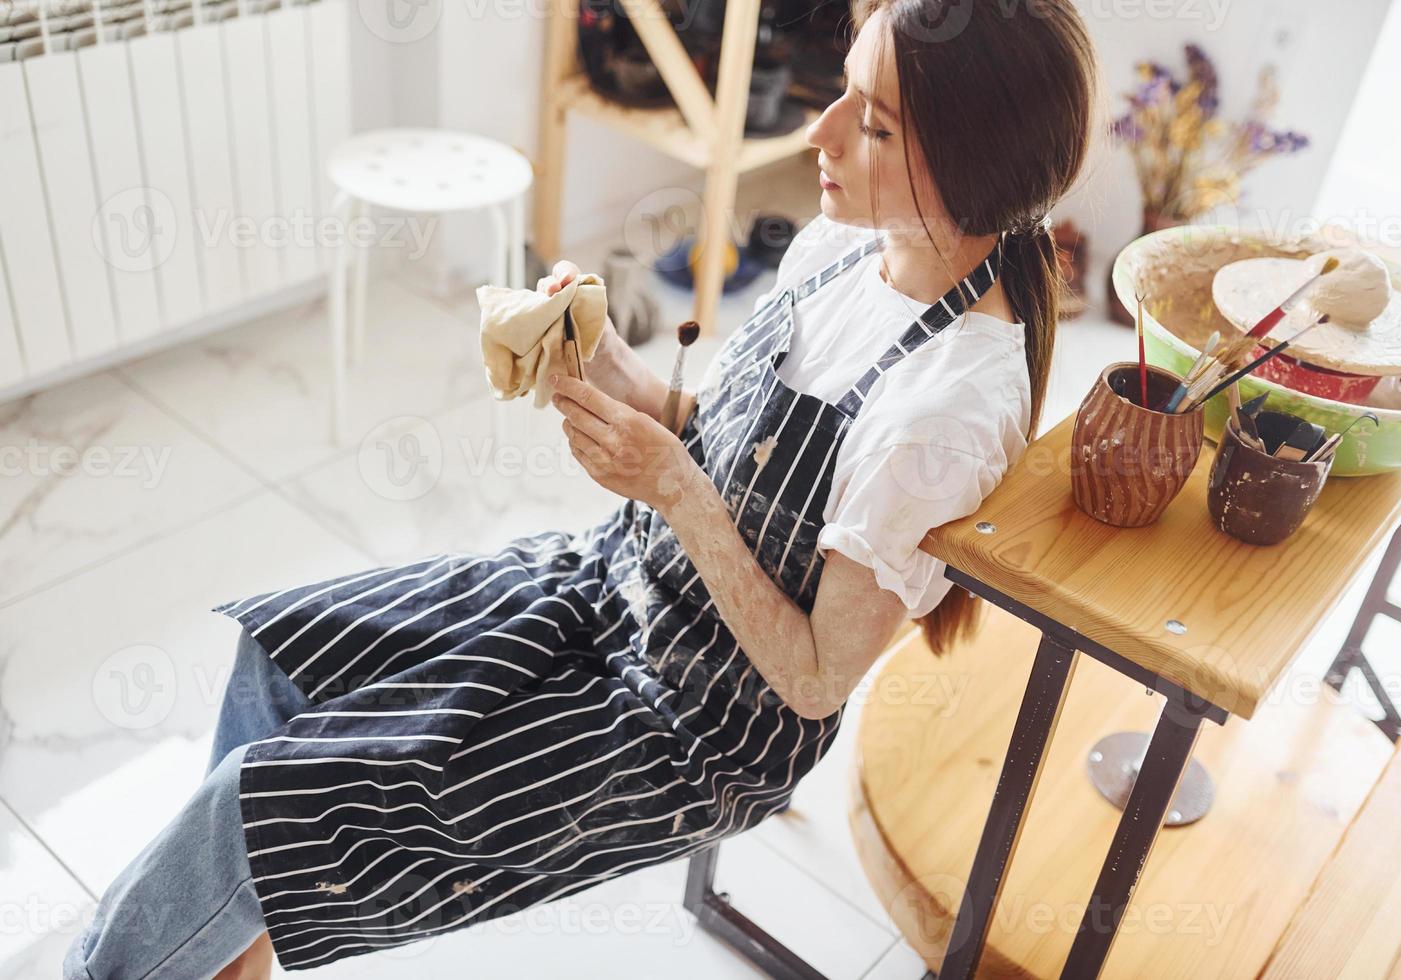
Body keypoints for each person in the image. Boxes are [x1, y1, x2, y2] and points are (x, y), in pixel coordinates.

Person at [64, 0, 1097, 974]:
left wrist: (676, 492)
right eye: (840, 92)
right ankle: (220, 950)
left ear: (971, 169)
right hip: (612, 584)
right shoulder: (840, 248)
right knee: (279, 654)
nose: (818, 134)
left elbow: (819, 679)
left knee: (260, 805)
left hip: (696, 721)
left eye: (869, 125)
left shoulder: (950, 407)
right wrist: (604, 363)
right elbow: (720, 437)